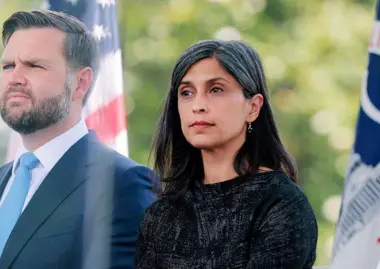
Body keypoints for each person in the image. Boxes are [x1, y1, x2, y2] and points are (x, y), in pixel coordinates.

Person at [0, 10, 156, 269]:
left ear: (80, 83)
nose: (15, 77)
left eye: (34, 65)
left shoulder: (122, 184)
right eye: (8, 66)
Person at [134, 40, 318, 268]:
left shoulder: (281, 204)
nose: (198, 105)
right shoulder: (161, 215)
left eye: (216, 90)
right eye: (187, 92)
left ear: (253, 107)